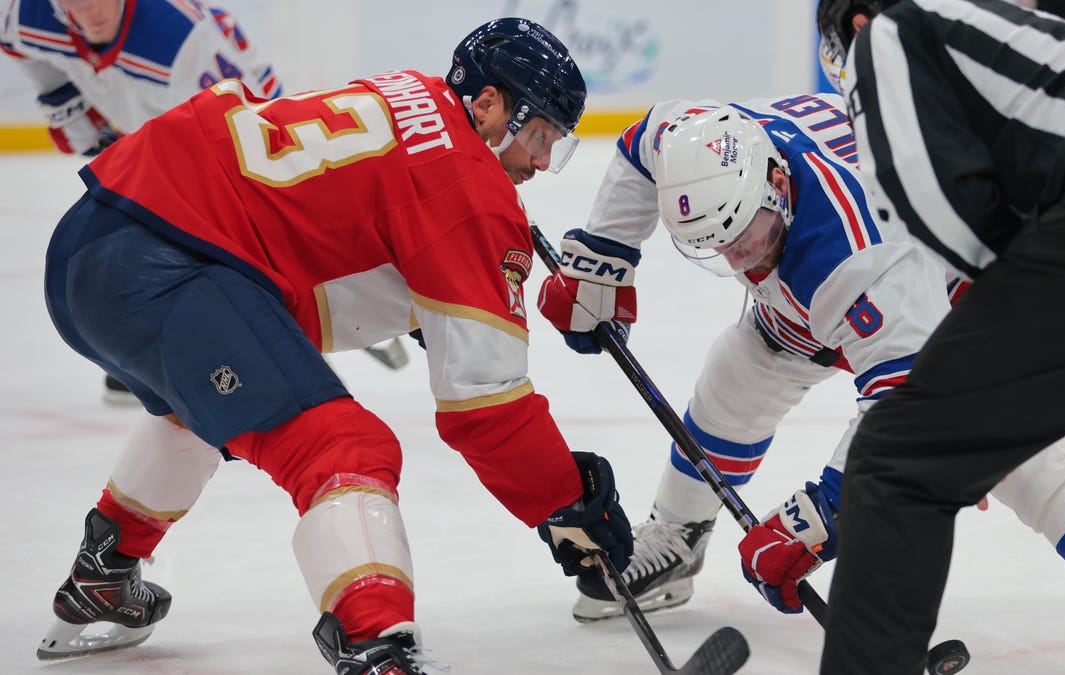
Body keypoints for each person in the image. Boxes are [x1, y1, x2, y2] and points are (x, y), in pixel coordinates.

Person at [37, 17, 634, 675]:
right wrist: (565, 501)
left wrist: (433, 297)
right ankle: (376, 646)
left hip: (90, 242)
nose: (542, 161)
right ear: (489, 103)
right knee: (345, 449)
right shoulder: (473, 189)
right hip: (164, 265)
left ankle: (105, 572)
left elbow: (338, 220)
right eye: (539, 134)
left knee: (203, 410)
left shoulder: (409, 94)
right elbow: (484, 409)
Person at [536, 94, 1065, 670]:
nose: (740, 261)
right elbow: (639, 139)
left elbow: (907, 415)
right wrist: (604, 257)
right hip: (852, 296)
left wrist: (817, 521)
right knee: (736, 373)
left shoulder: (854, 256)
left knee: (1042, 468)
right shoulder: (701, 139)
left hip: (979, 299)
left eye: (747, 238)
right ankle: (679, 537)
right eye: (720, 248)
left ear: (775, 183)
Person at [797, 0, 1065, 672]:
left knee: (897, 459)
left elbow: (933, 199)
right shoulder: (1014, 37)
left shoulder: (892, 34)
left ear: (858, 24)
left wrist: (978, 395)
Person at [0, 0, 282, 405]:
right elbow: (17, 44)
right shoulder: (29, 15)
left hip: (244, 134)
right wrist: (66, 103)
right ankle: (162, 359)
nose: (93, 12)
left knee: (212, 246)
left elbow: (250, 135)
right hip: (166, 119)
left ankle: (262, 350)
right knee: (124, 240)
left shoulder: (178, 41)